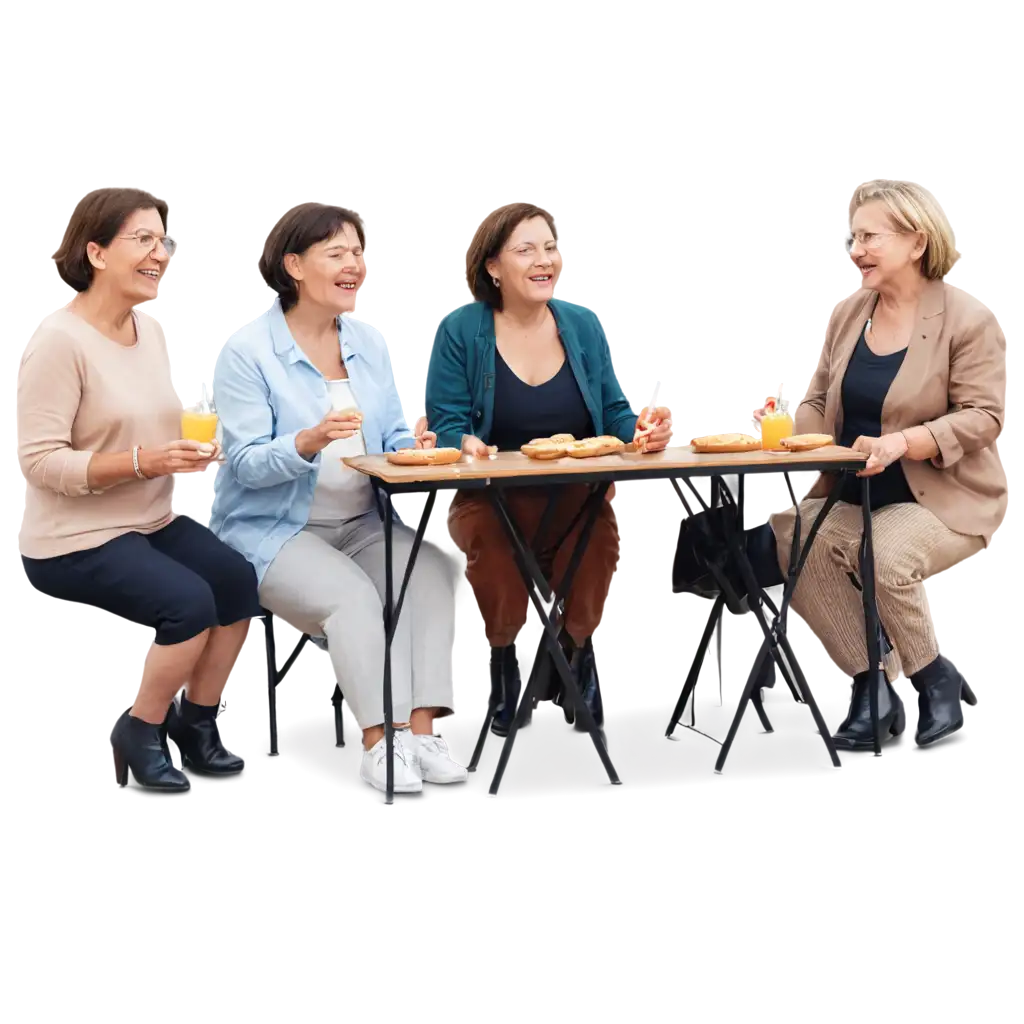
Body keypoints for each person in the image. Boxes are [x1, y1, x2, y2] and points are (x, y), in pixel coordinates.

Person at [207, 203, 470, 795]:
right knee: (353, 599)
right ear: (294, 266)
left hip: (361, 522)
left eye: (358, 252)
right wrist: (306, 440)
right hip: (273, 532)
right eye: (337, 254)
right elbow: (246, 465)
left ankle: (420, 736)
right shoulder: (245, 351)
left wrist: (416, 445)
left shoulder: (370, 342)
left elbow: (391, 436)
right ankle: (381, 745)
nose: (354, 264)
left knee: (431, 573)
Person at [16, 187, 260, 795]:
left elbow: (147, 421)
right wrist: (143, 461)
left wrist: (193, 447)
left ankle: (196, 725)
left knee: (236, 581)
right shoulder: (59, 343)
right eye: (144, 240)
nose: (161, 255)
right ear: (96, 253)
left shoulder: (147, 329)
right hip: (75, 535)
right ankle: (139, 731)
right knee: (189, 603)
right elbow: (42, 463)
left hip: (148, 519)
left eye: (164, 241)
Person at [758, 179, 1007, 751]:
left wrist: (907, 441)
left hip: (939, 499)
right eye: (853, 238)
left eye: (869, 237)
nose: (856, 250)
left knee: (884, 551)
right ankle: (871, 683)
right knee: (796, 532)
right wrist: (781, 421)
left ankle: (933, 677)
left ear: (916, 242)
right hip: (856, 494)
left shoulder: (964, 318)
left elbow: (985, 416)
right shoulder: (850, 315)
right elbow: (820, 403)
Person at [424, 200, 671, 719]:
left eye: (550, 248)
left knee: (598, 543)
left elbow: (612, 412)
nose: (544, 260)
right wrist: (464, 441)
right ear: (493, 267)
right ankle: (509, 664)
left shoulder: (580, 324)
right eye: (526, 250)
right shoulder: (461, 329)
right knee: (490, 551)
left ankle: (576, 656)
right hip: (493, 495)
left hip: (575, 494)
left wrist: (641, 432)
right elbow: (446, 420)